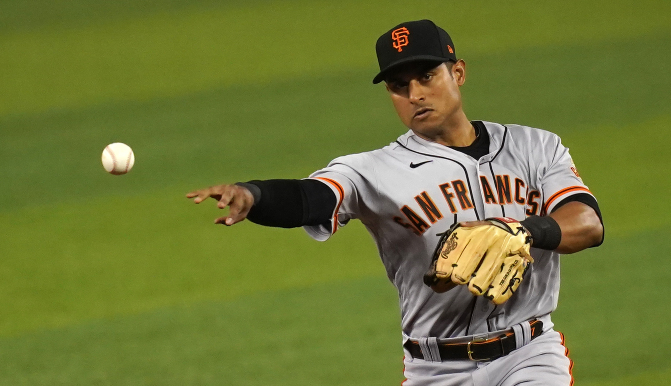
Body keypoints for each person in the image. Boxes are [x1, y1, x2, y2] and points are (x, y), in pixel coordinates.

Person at [187, 19, 604, 386]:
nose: (415, 94)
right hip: (436, 370)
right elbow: (309, 197)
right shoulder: (373, 170)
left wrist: (525, 231)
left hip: (529, 355)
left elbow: (587, 223)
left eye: (426, 76)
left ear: (458, 72)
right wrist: (253, 196)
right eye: (399, 86)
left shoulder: (536, 147)